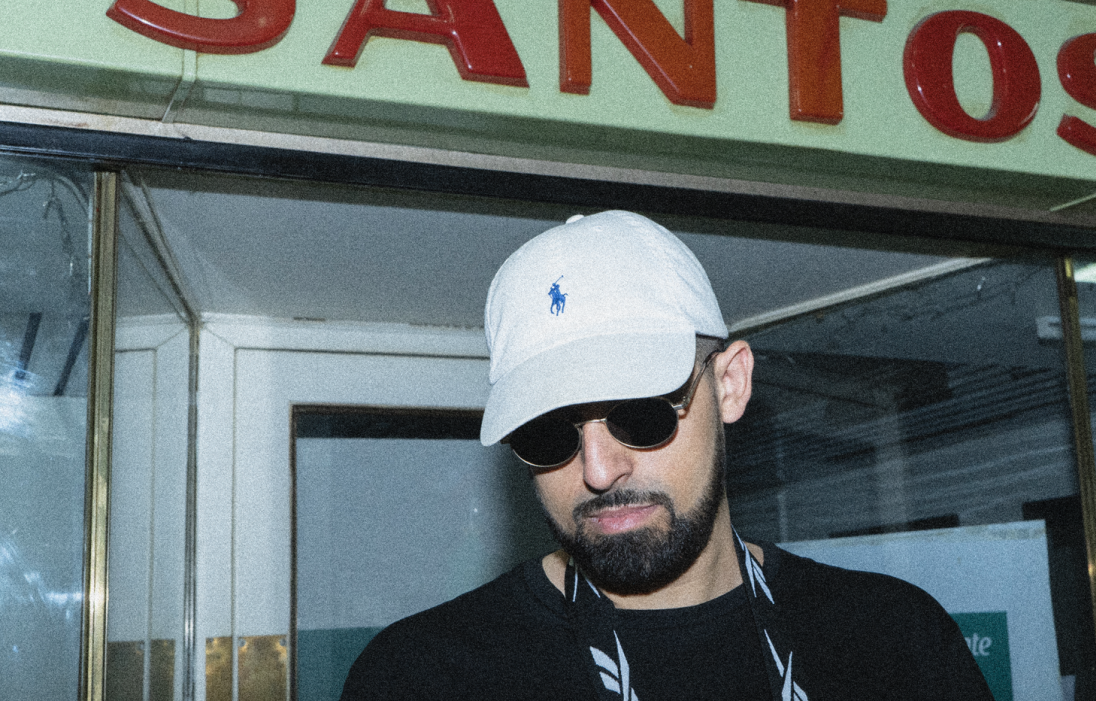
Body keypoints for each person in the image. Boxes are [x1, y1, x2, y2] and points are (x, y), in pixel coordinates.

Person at [341, 211, 993, 700]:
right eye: (547, 435)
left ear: (730, 384)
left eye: (640, 415)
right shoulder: (422, 676)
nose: (598, 470)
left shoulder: (893, 640)